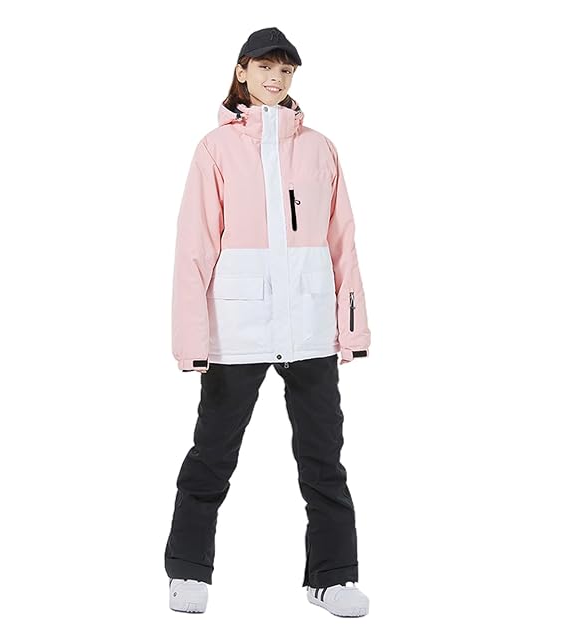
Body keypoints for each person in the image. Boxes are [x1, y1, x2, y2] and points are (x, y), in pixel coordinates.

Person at [164, 27, 371, 617]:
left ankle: (332, 578)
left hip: (310, 327)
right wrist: (191, 340)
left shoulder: (321, 149)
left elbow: (343, 241)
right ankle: (187, 570)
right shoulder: (214, 149)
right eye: (264, 68)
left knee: (324, 459)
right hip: (238, 329)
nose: (275, 79)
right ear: (242, 71)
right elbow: (194, 246)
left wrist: (351, 328)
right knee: (212, 454)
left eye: (285, 70)